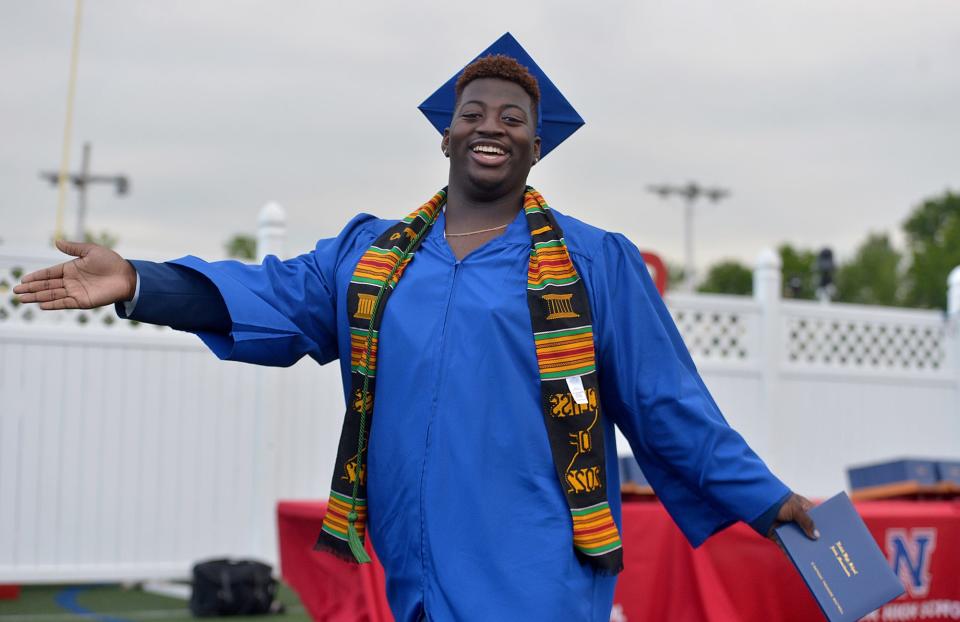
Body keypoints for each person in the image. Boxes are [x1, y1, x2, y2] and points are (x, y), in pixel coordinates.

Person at [16, 33, 816, 622]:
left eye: (512, 116)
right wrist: (140, 283)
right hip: (416, 572)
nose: (491, 124)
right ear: (447, 134)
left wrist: (770, 501)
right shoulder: (373, 260)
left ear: (538, 144)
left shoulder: (593, 264)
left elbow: (666, 403)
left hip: (535, 570)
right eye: (473, 112)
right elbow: (273, 295)